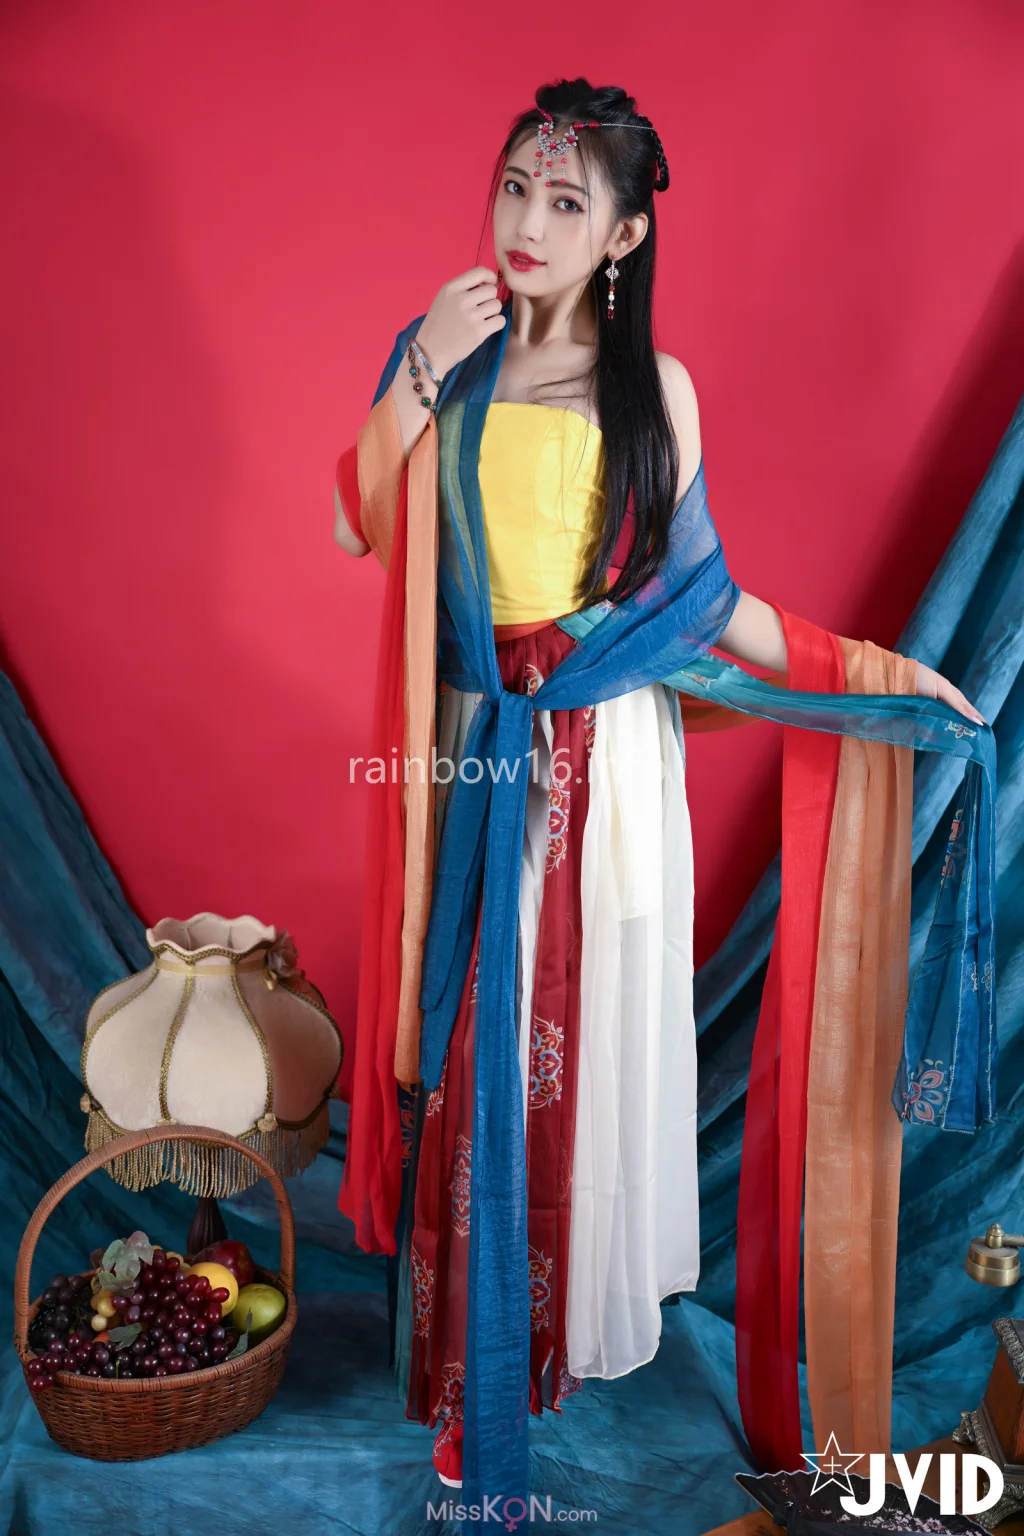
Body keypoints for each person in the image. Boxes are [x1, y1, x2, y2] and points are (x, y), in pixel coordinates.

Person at [333, 78, 989, 1505]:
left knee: (576, 1044)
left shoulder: (657, 395)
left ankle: (552, 1336)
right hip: (473, 742)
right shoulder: (447, 361)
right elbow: (360, 522)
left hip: (606, 759)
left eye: (565, 201)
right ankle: (469, 1356)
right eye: (515, 187)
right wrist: (417, 372)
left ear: (624, 234)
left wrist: (886, 677)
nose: (525, 222)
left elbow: (707, 604)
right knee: (469, 1038)